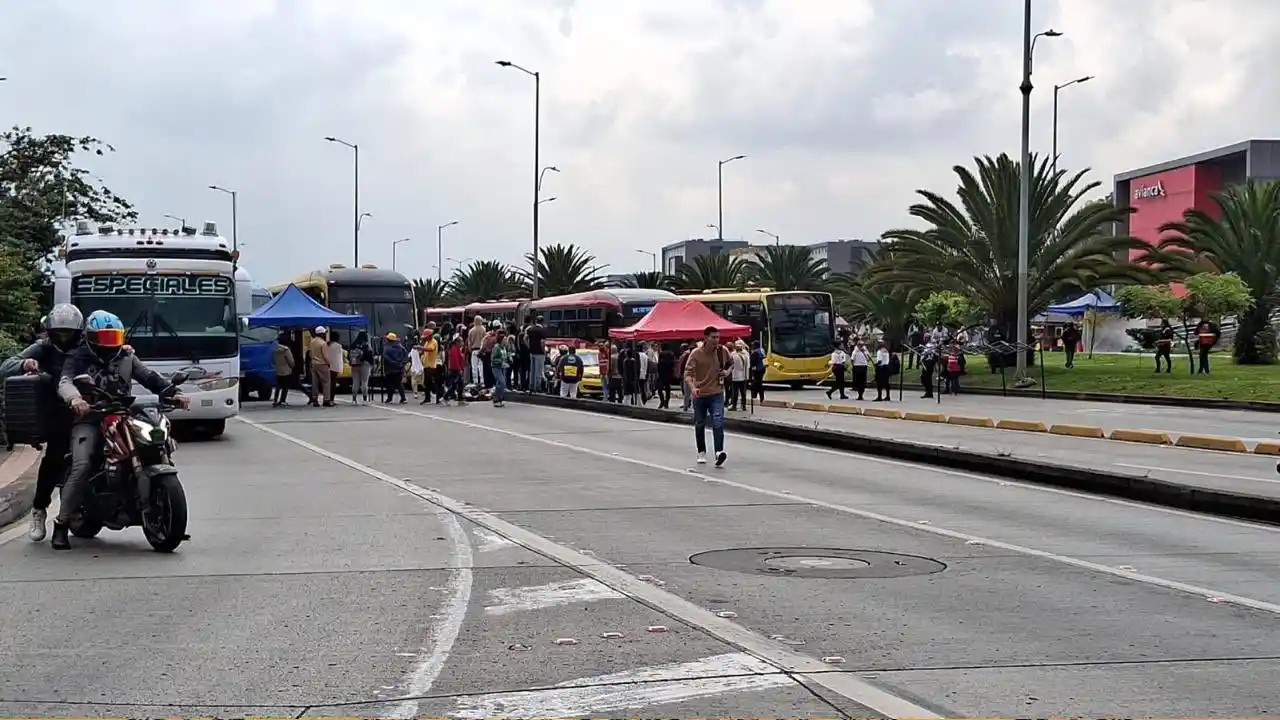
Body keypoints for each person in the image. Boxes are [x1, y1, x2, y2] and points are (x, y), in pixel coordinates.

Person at [55, 310, 190, 550]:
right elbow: (65, 382)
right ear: (91, 337)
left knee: (153, 442)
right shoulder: (78, 357)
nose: (110, 343)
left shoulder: (126, 357)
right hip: (90, 418)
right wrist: (75, 399)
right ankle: (61, 524)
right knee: (83, 464)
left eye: (114, 337)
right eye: (104, 337)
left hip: (123, 414)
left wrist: (174, 393)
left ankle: (154, 509)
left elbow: (149, 377)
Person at [0, 304, 84, 542]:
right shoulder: (43, 347)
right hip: (57, 410)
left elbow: (110, 354)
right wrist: (24, 364)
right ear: (51, 331)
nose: (65, 337)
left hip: (89, 407)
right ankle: (39, 508)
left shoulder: (85, 346)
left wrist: (123, 349)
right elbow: (5, 366)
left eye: (69, 332)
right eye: (60, 332)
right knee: (55, 457)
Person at [685, 327, 731, 466]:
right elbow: (688, 374)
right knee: (700, 423)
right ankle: (701, 452)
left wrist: (727, 372)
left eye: (718, 337)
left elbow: (730, 365)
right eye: (713, 337)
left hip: (717, 392)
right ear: (706, 338)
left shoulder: (722, 351)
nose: (716, 340)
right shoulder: (696, 354)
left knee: (718, 421)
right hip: (700, 393)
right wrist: (693, 388)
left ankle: (719, 452)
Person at [382, 332, 409, 403]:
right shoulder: (401, 347)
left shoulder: (387, 347)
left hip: (390, 369)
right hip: (400, 368)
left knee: (390, 383)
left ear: (388, 339)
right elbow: (406, 356)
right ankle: (403, 398)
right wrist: (402, 363)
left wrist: (393, 363)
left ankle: (389, 398)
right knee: (399, 383)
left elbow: (385, 357)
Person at [308, 326, 332, 407]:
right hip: (322, 364)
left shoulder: (312, 342)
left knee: (315, 382)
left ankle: (314, 399)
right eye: (324, 333)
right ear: (321, 334)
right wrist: (329, 363)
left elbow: (310, 354)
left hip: (314, 363)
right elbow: (325, 355)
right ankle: (326, 400)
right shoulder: (323, 343)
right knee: (326, 382)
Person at [348, 331, 372, 404]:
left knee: (355, 382)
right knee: (364, 382)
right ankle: (364, 400)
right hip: (365, 365)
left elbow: (349, 356)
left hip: (355, 365)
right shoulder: (367, 345)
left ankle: (354, 399)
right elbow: (370, 356)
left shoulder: (353, 344)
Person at [491, 332, 514, 406]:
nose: (506, 341)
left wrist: (509, 358)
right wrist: (501, 361)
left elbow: (506, 355)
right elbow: (493, 359)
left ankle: (499, 399)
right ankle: (497, 398)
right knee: (502, 382)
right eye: (505, 340)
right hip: (496, 367)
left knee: (499, 383)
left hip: (503, 367)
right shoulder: (496, 347)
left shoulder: (504, 347)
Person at [271, 334, 295, 407]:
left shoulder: (274, 349)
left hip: (277, 370)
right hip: (286, 370)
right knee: (285, 387)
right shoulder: (286, 349)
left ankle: (275, 400)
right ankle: (282, 400)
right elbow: (290, 360)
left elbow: (272, 360)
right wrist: (292, 367)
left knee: (278, 386)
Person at [526, 315, 547, 393]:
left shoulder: (531, 329)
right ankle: (537, 387)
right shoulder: (542, 330)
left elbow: (525, 338)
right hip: (539, 353)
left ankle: (531, 386)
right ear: (542, 321)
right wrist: (544, 351)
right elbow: (542, 342)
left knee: (532, 370)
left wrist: (529, 346)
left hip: (532, 352)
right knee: (539, 371)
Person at [419, 329, 440, 405]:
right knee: (427, 383)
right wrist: (421, 352)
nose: (425, 338)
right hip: (426, 364)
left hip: (431, 365)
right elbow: (424, 351)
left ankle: (438, 393)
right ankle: (428, 398)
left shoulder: (433, 342)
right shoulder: (427, 342)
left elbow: (430, 349)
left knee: (429, 382)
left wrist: (420, 348)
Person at [445, 336, 467, 405]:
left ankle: (460, 399)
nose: (462, 343)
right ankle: (446, 396)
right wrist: (459, 369)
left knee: (460, 384)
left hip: (458, 369)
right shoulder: (454, 350)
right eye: (461, 341)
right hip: (455, 370)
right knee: (454, 385)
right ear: (457, 342)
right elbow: (455, 361)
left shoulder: (458, 349)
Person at [325, 333, 345, 404]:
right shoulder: (338, 346)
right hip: (335, 367)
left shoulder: (327, 345)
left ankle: (327, 398)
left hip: (327, 365)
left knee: (327, 383)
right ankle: (331, 399)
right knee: (333, 384)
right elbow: (340, 358)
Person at [656, 344, 676, 409]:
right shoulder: (672, 354)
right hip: (669, 373)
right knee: (668, 389)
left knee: (659, 389)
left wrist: (658, 372)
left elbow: (659, 364)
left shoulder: (661, 354)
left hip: (662, 373)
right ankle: (666, 402)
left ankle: (662, 401)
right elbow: (674, 363)